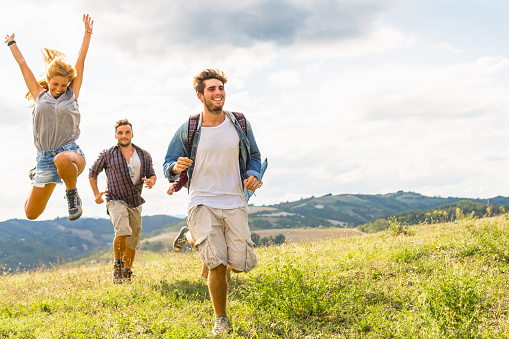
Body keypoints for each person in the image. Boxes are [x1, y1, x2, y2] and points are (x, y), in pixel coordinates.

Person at [163, 69, 262, 336]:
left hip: (234, 201)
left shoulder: (239, 122)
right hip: (202, 201)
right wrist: (175, 168)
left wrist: (253, 174)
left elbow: (254, 156)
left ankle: (192, 237)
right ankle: (221, 319)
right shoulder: (189, 128)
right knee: (217, 264)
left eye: (220, 88)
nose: (218, 93)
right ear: (200, 95)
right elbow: (168, 163)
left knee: (241, 264)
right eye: (211, 89)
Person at [4, 15, 94, 221]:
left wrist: (87, 32)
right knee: (31, 213)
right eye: (55, 84)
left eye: (63, 85)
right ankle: (37, 174)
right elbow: (22, 65)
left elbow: (81, 59)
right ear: (49, 80)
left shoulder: (72, 94)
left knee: (61, 158)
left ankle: (72, 195)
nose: (59, 89)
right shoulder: (39, 95)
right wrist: (12, 43)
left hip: (70, 155)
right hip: (44, 159)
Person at [89, 119, 156, 283]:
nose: (124, 136)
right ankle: (117, 266)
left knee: (133, 241)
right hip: (115, 199)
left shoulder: (144, 155)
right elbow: (93, 173)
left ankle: (126, 273)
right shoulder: (108, 154)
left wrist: (152, 181)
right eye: (120, 133)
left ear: (132, 134)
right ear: (115, 135)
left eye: (127, 132)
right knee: (123, 231)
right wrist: (96, 193)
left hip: (135, 201)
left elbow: (152, 174)